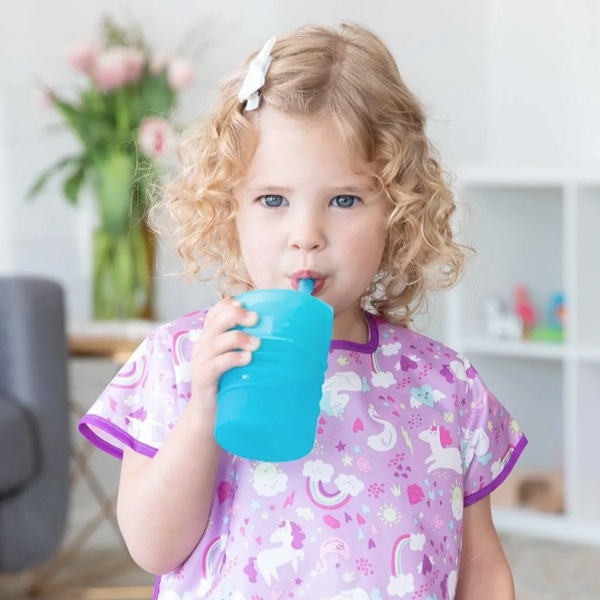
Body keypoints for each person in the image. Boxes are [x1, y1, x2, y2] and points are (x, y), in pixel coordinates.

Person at [79, 23, 527, 600]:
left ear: (397, 210)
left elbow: (483, 570)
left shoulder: (444, 385)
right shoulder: (184, 360)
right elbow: (152, 548)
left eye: (344, 200)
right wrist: (202, 414)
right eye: (273, 200)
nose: (306, 235)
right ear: (227, 207)